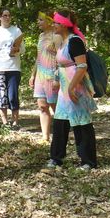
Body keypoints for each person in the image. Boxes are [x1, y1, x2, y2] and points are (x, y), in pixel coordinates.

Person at [45, 9, 98, 172]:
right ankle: (56, 158)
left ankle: (88, 161)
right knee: (60, 122)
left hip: (76, 87)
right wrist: (57, 81)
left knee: (81, 123)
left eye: (56, 22)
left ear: (64, 24)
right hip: (64, 89)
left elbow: (82, 66)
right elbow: (59, 64)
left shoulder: (75, 41)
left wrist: (72, 87)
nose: (53, 25)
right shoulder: (61, 41)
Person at [29, 11, 61, 142]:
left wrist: (57, 77)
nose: (38, 22)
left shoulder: (57, 36)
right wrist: (32, 75)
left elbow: (61, 57)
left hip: (52, 75)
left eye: (41, 20)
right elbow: (39, 57)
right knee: (42, 106)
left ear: (49, 21)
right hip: (40, 76)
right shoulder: (41, 36)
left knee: (55, 106)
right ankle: (45, 137)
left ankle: (62, 135)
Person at [0, 7, 25, 128]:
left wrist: (17, 49)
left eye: (9, 15)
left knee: (13, 95)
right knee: (1, 96)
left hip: (14, 67)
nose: (7, 18)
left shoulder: (16, 31)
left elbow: (23, 49)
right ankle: (5, 123)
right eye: (4, 15)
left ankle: (15, 122)